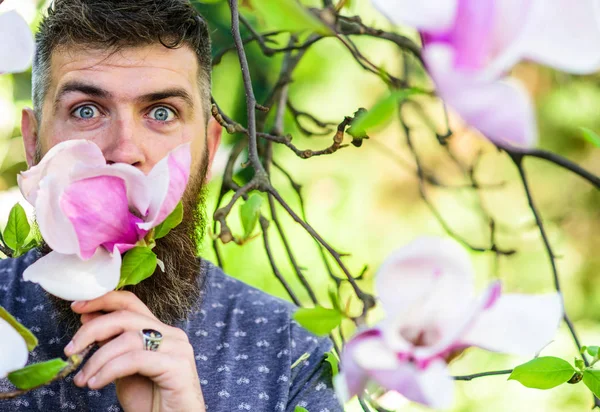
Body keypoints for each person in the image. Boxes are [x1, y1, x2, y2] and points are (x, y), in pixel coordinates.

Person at [0, 1, 342, 411]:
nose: (125, 151)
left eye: (161, 113)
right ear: (33, 144)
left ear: (209, 148)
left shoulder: (292, 357)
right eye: (86, 111)